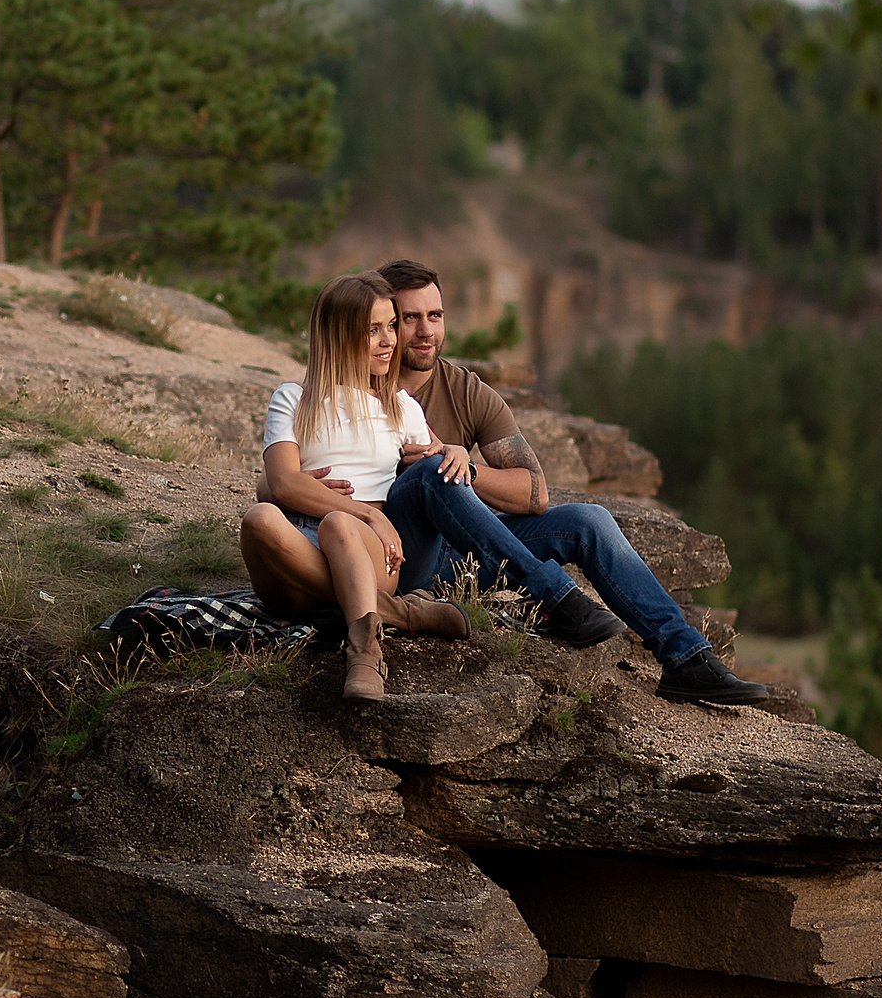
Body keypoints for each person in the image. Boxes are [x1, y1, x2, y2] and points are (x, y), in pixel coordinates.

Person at [367, 258, 770, 706]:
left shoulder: (464, 390)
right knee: (429, 475)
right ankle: (555, 596)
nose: (426, 331)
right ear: (383, 323)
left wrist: (467, 468)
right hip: (399, 559)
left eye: (435, 316)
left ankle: (686, 658)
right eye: (410, 319)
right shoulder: (357, 389)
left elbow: (535, 493)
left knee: (589, 520)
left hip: (470, 557)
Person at [240, 272, 469, 701]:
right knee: (259, 518)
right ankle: (398, 612)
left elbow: (429, 471)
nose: (389, 341)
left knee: (337, 526)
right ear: (339, 336)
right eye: (373, 330)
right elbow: (283, 482)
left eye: (390, 326)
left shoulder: (401, 408)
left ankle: (365, 653)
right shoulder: (293, 398)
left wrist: (455, 452)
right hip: (295, 557)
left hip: (366, 548)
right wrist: (366, 512)